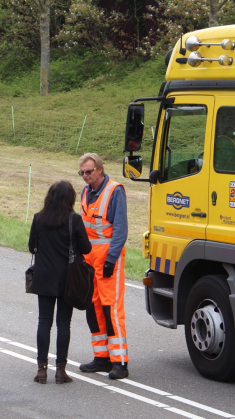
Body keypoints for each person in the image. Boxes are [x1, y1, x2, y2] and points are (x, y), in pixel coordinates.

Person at [28, 181, 91, 384]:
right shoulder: (74, 220)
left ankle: (41, 369)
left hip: (44, 275)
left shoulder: (39, 219)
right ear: (70, 199)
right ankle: (61, 370)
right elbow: (87, 248)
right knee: (64, 323)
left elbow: (32, 247)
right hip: (68, 278)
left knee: (44, 321)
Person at [77, 153, 129, 380]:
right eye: (82, 173)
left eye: (88, 171)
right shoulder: (86, 192)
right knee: (93, 308)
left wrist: (111, 259)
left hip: (109, 260)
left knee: (111, 309)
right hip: (90, 261)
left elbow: (120, 230)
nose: (85, 176)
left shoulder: (115, 191)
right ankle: (101, 357)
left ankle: (120, 362)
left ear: (99, 169)